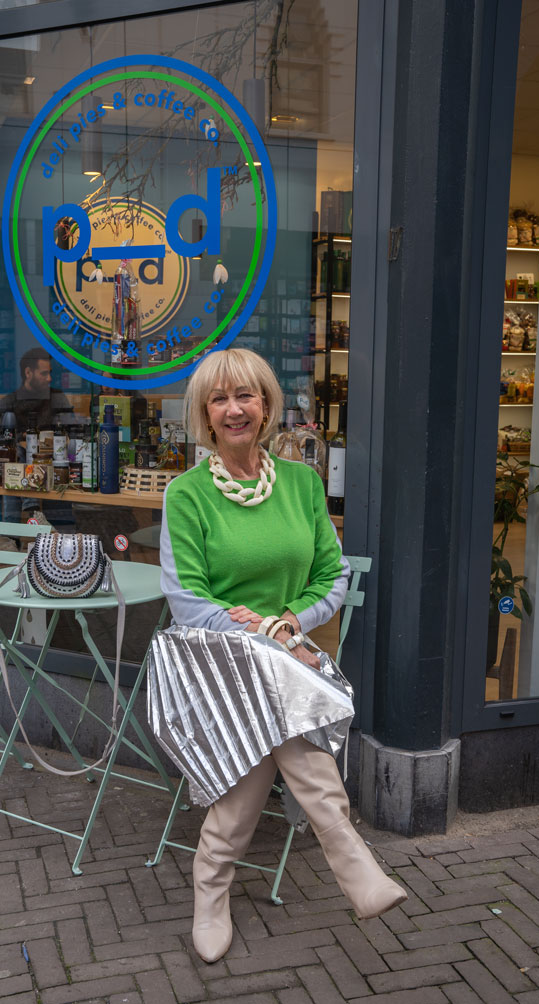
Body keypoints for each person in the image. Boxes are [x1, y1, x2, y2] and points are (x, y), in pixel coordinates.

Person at [159, 348, 407, 963]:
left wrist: (289, 623)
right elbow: (187, 599)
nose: (234, 409)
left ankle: (210, 889)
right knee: (281, 715)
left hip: (290, 653)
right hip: (217, 659)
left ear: (266, 405)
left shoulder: (300, 483)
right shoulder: (186, 495)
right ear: (205, 414)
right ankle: (348, 852)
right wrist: (262, 637)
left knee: (256, 757)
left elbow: (332, 576)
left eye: (245, 395)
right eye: (220, 398)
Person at [0, 346, 73, 438]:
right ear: (28, 373)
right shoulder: (8, 403)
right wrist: (22, 436)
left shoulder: (57, 397)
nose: (49, 378)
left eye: (49, 373)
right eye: (44, 373)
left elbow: (72, 432)